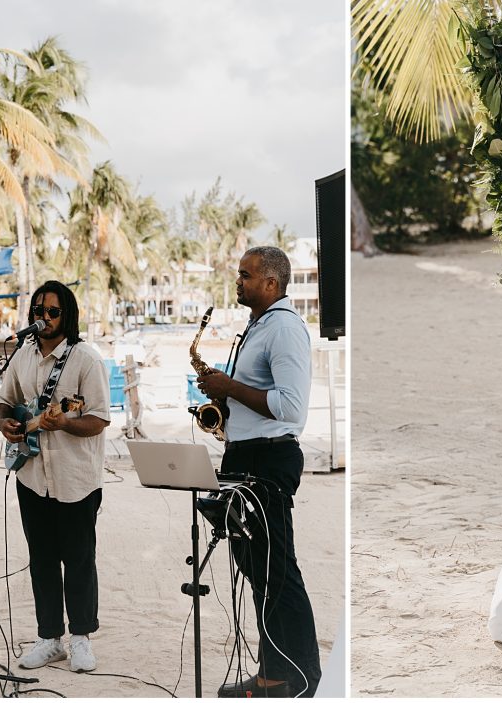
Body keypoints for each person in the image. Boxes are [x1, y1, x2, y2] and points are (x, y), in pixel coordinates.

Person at [196, 246, 322, 698]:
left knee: (276, 570)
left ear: (272, 283)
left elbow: (290, 407)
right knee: (259, 570)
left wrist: (228, 386)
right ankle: (275, 671)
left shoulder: (285, 328)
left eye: (246, 275)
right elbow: (260, 397)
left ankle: (297, 677)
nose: (239, 280)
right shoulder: (258, 326)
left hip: (268, 460)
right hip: (247, 457)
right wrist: (222, 401)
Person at [0, 280, 111, 673]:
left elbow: (97, 419)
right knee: (41, 560)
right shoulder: (22, 356)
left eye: (53, 311)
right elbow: (4, 402)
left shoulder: (86, 360)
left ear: (68, 315)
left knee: (78, 560)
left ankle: (80, 639)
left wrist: (62, 424)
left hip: (75, 479)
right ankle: (49, 639)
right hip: (31, 475)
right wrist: (7, 424)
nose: (44, 318)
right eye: (38, 311)